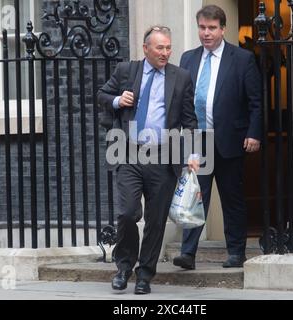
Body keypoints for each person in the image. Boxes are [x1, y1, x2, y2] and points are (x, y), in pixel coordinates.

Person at [97, 26, 198, 294]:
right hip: (129, 151)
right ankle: (123, 266)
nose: (165, 53)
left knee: (156, 220)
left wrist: (193, 154)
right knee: (128, 213)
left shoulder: (181, 77)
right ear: (146, 49)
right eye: (159, 48)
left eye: (168, 47)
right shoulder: (126, 71)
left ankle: (145, 275)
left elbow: (189, 120)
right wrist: (119, 100)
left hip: (164, 156)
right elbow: (102, 96)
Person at [173, 5, 262, 270]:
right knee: (194, 196)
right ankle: (188, 253)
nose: (206, 33)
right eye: (202, 27)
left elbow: (256, 101)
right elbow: (181, 100)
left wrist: (254, 133)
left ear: (223, 29)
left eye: (212, 28)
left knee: (232, 199)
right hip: (197, 141)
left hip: (229, 140)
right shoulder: (187, 58)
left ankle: (236, 252)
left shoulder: (242, 59)